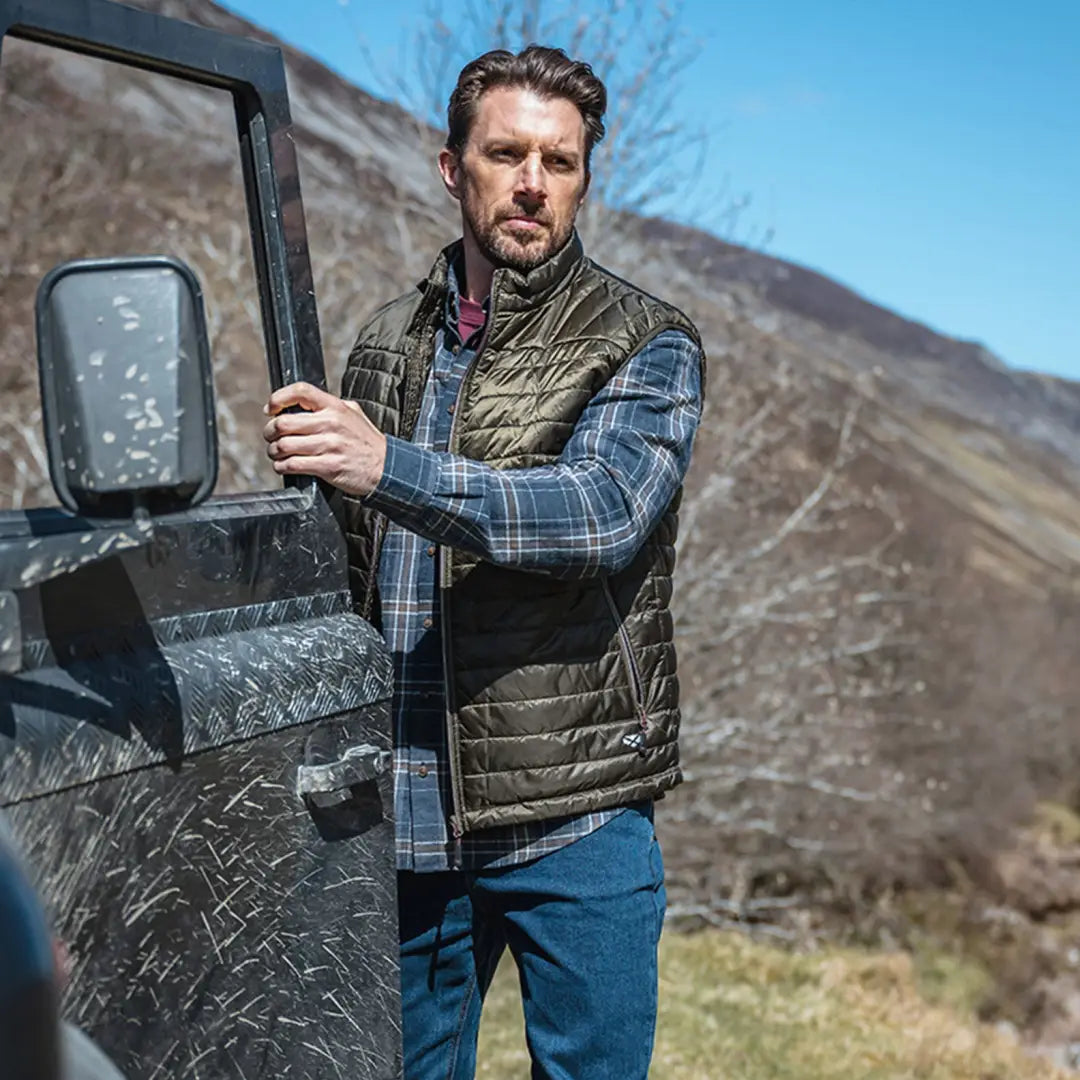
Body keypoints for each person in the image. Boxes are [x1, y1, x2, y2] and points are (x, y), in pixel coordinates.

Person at [263, 44, 704, 1080]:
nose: (532, 183)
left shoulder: (644, 341)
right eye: (506, 153)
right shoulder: (383, 345)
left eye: (560, 160)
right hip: (407, 819)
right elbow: (345, 567)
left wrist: (388, 466)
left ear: (586, 177)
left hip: (576, 815)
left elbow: (598, 516)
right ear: (452, 166)